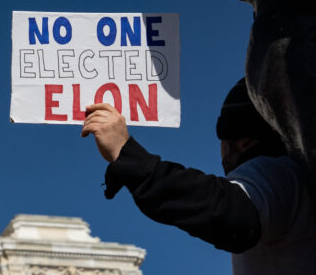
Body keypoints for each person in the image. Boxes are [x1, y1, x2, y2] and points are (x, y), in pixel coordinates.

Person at [82, 78, 315, 274]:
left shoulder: (279, 175)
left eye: (221, 140)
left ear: (243, 141)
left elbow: (226, 209)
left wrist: (126, 153)